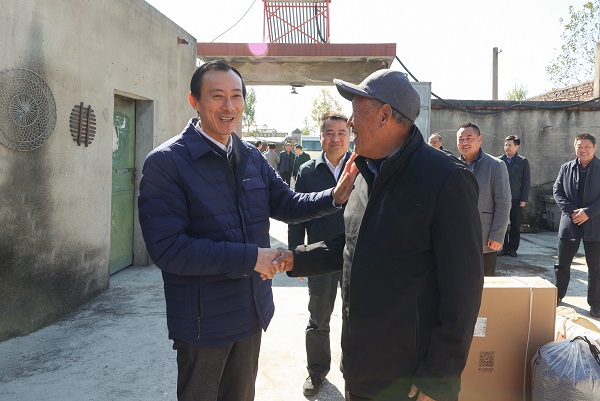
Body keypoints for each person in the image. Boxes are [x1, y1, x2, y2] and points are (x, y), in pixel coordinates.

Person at [137, 60, 357, 401]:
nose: (229, 107)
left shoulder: (250, 157)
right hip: (203, 322)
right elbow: (169, 249)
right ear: (194, 101)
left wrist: (334, 196)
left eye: (236, 96)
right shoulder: (167, 163)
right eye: (217, 96)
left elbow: (287, 204)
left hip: (251, 311)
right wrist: (252, 257)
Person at [278, 69, 484, 401]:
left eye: (356, 112)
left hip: (409, 379)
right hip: (360, 365)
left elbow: (464, 289)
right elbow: (351, 245)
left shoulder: (445, 179)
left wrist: (438, 378)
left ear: (385, 115)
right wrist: (294, 258)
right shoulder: (363, 171)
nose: (350, 122)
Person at [288, 112, 352, 396]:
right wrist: (298, 258)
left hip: (354, 257)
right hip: (319, 256)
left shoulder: (362, 167)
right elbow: (297, 215)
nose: (335, 138)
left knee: (355, 318)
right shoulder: (307, 171)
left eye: (341, 133)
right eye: (329, 133)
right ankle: (316, 372)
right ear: (321, 136)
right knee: (318, 318)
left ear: (350, 136)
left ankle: (352, 371)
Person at [553, 133, 600, 318]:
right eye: (579, 146)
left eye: (587, 146)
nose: (583, 150)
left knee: (596, 267)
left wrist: (588, 212)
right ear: (575, 148)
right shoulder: (566, 168)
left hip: (595, 224)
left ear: (594, 147)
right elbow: (557, 191)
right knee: (562, 264)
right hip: (570, 222)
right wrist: (572, 211)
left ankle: (595, 304)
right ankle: (557, 296)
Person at [457, 122, 511, 276]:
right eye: (460, 139)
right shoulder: (452, 165)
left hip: (484, 237)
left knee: (485, 282)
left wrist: (497, 235)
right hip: (457, 238)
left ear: (480, 139)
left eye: (469, 138)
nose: (464, 142)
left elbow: (503, 202)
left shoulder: (496, 165)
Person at [498, 135, 531, 257]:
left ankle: (513, 248)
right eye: (505, 145)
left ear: (517, 147)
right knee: (502, 224)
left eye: (510, 145)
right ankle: (503, 247)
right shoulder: (499, 161)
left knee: (515, 225)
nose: (507, 147)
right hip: (501, 198)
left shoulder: (523, 161)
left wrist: (523, 198)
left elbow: (526, 181)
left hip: (516, 198)